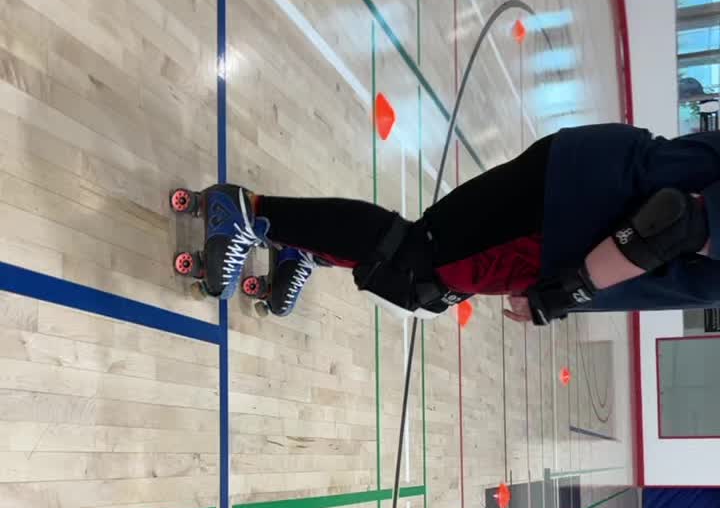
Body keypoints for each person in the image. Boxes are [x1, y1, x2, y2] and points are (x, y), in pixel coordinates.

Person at [186, 122, 720, 322]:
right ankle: (246, 213)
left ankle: (302, 246)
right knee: (415, 267)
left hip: (578, 202)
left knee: (428, 276)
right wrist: (564, 294)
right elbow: (670, 224)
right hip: (574, 211)